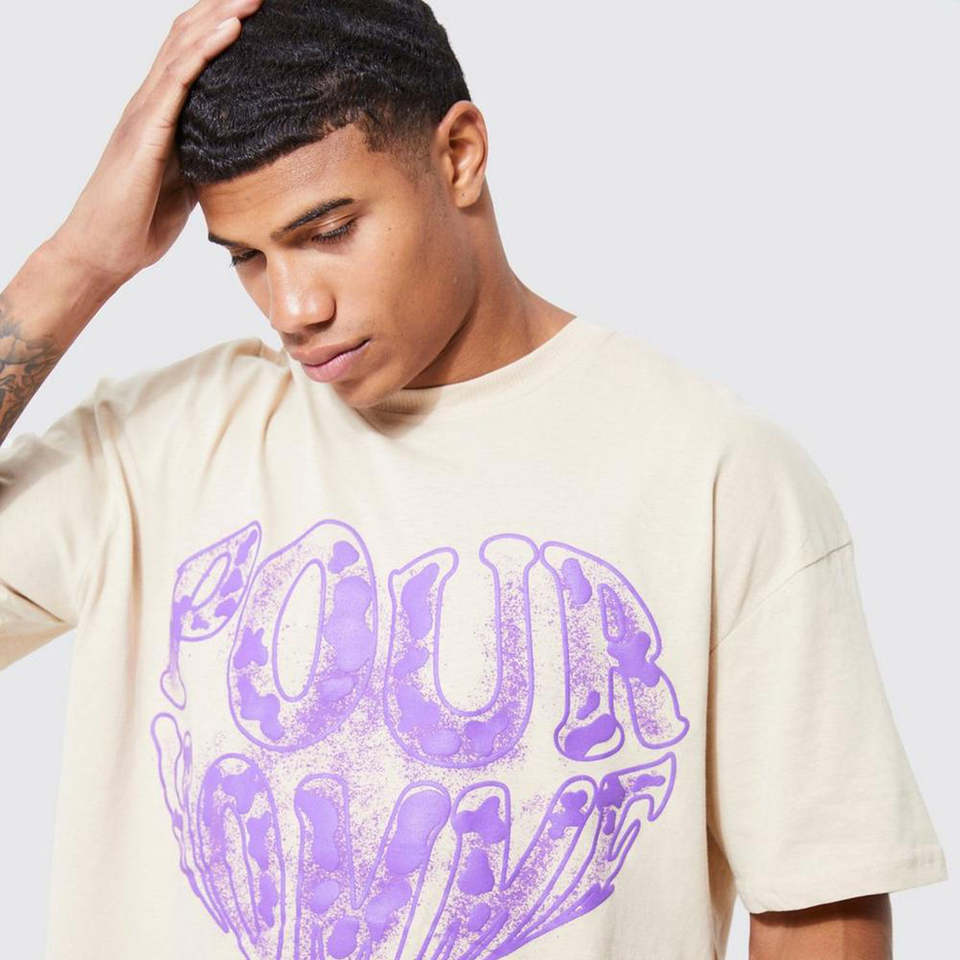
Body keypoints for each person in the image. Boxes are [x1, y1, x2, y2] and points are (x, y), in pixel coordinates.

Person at [0, 1, 947, 958]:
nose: (293, 307)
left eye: (329, 230)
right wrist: (76, 260)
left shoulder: (715, 472)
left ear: (459, 155)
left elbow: (815, 902)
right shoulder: (155, 450)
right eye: (248, 256)